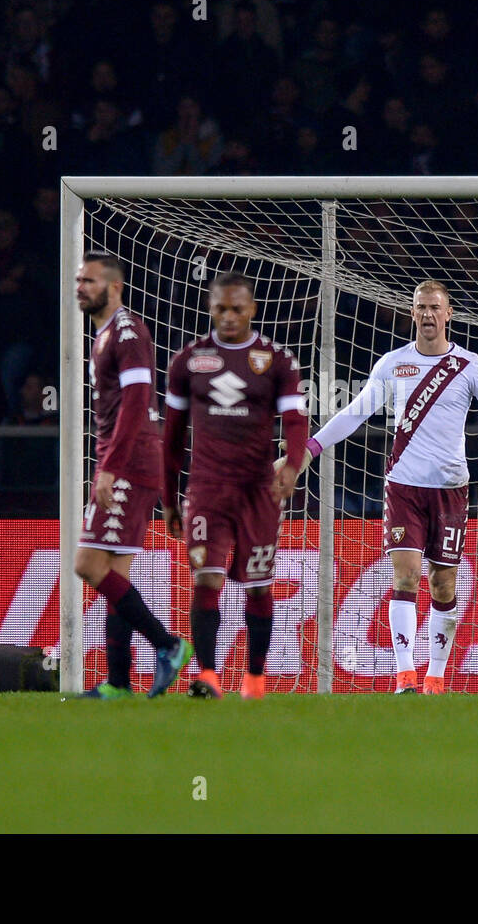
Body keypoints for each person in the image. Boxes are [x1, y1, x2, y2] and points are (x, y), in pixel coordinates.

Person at [286, 280, 478, 694]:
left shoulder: (469, 365)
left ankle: (434, 675)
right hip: (403, 487)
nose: (428, 314)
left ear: (448, 314)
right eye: (421, 308)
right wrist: (309, 448)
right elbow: (355, 414)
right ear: (412, 314)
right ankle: (404, 676)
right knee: (407, 576)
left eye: (435, 307)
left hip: (450, 489)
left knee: (443, 583)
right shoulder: (392, 364)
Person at [162, 272, 307, 699]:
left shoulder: (275, 360)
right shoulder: (188, 361)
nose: (228, 317)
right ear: (210, 308)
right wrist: (168, 500)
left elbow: (296, 422)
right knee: (206, 579)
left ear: (252, 310)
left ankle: (255, 679)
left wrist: (292, 466)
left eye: (237, 309)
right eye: (220, 308)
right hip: (207, 490)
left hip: (258, 492)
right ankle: (208, 674)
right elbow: (171, 438)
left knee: (259, 585)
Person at [73, 252, 191, 698]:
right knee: (115, 571)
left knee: (88, 564)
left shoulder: (126, 331)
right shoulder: (105, 334)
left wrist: (110, 467)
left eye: (90, 280)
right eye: (79, 280)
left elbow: (139, 400)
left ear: (115, 287)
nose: (81, 287)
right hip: (132, 462)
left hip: (129, 463)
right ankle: (119, 683)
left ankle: (168, 644)